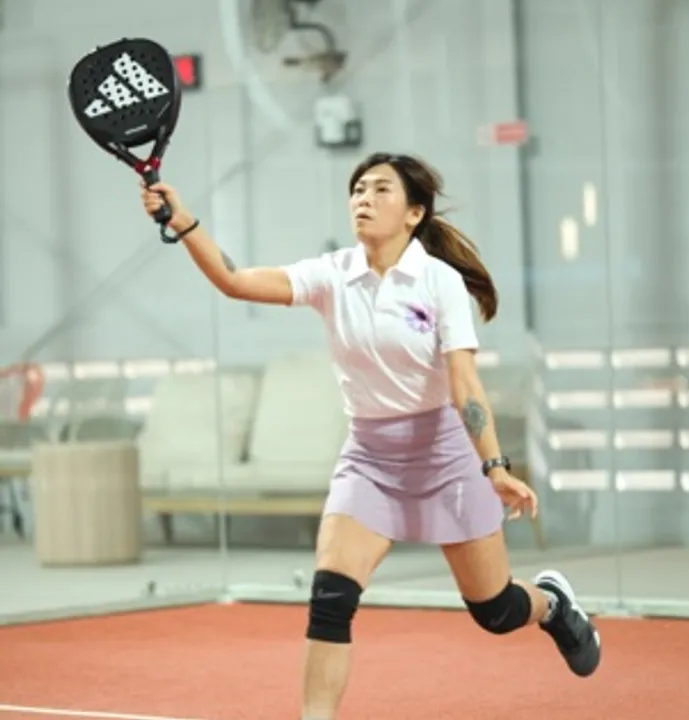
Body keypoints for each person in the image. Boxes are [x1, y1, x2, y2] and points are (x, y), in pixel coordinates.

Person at [141, 152, 601, 719]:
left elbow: (465, 384)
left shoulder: (439, 282)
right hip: (369, 460)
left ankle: (553, 605)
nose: (364, 197)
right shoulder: (331, 275)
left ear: (414, 213)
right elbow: (234, 281)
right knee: (331, 598)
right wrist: (184, 222)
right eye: (358, 188)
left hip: (445, 458)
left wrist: (495, 467)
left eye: (381, 189)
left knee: (497, 611)